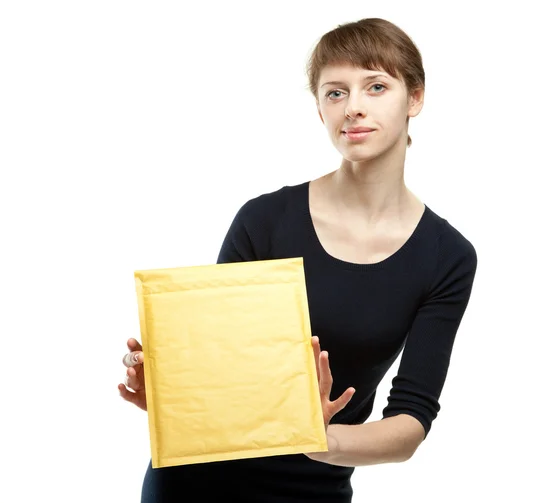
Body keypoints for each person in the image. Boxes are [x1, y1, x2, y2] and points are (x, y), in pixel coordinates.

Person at [118, 17, 478, 502]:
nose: (353, 107)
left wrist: (316, 438)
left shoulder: (447, 257)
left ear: (414, 98)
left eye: (375, 87)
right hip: (193, 484)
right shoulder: (264, 219)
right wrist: (174, 397)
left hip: (313, 489)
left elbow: (410, 422)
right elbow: (224, 371)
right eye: (335, 93)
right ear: (319, 109)